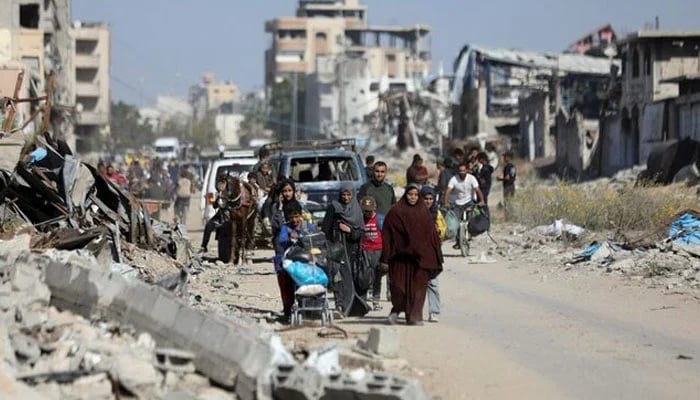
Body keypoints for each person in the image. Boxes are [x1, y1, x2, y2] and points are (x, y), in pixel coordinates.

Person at [381, 184, 443, 326]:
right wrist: (385, 257)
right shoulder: (396, 212)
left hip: (419, 260)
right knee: (399, 288)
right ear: (405, 195)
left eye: (415, 195)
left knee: (418, 289)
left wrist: (434, 256)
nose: (413, 197)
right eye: (410, 194)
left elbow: (431, 236)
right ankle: (396, 310)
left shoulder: (423, 213)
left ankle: (414, 316)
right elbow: (387, 234)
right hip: (400, 259)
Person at [321, 183, 366, 314]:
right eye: (343, 195)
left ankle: (353, 306)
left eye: (348, 195)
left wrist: (350, 231)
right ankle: (339, 305)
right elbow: (325, 229)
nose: (346, 198)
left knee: (352, 279)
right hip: (337, 250)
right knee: (338, 277)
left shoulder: (357, 209)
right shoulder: (334, 208)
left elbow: (361, 232)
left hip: (353, 251)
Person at [274, 202, 316, 323]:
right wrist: (289, 238)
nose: (294, 220)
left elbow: (316, 239)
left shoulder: (309, 227)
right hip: (292, 261)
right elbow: (282, 243)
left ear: (301, 215)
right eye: (291, 217)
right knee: (285, 279)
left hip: (307, 260)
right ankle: (288, 309)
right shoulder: (285, 228)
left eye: (296, 216)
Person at [420, 186, 446, 323]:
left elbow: (442, 231)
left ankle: (434, 311)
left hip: (432, 254)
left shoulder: (437, 213)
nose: (428, 201)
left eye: (431, 199)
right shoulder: (415, 212)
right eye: (426, 199)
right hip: (417, 253)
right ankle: (414, 311)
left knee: (433, 283)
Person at [443, 163, 484, 250]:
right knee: (456, 222)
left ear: (467, 171)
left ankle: (471, 233)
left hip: (469, 202)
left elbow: (477, 190)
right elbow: (448, 191)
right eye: (460, 171)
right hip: (457, 203)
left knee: (472, 218)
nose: (462, 172)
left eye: (464, 170)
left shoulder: (471, 178)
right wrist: (446, 203)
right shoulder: (454, 179)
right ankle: (459, 241)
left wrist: (482, 201)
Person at [359, 196, 384, 309]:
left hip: (378, 250)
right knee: (365, 275)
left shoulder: (380, 219)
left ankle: (376, 300)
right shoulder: (361, 219)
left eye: (370, 211)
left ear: (374, 208)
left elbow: (385, 234)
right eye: (365, 211)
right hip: (365, 250)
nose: (368, 213)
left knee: (377, 276)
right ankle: (364, 300)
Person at [199, 173, 228, 253]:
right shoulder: (219, 193)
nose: (220, 186)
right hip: (220, 215)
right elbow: (215, 206)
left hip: (229, 215)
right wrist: (218, 198)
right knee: (208, 225)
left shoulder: (229, 193)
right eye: (219, 184)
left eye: (222, 183)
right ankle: (204, 246)